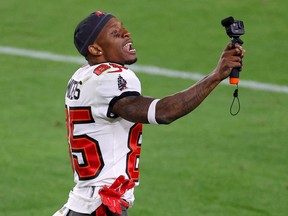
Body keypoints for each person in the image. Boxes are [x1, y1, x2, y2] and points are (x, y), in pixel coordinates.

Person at [53, 10, 245, 216]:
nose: (127, 33)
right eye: (116, 34)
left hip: (84, 202)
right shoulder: (111, 77)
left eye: (123, 28)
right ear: (95, 49)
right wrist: (216, 76)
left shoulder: (82, 75)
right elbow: (162, 112)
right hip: (101, 205)